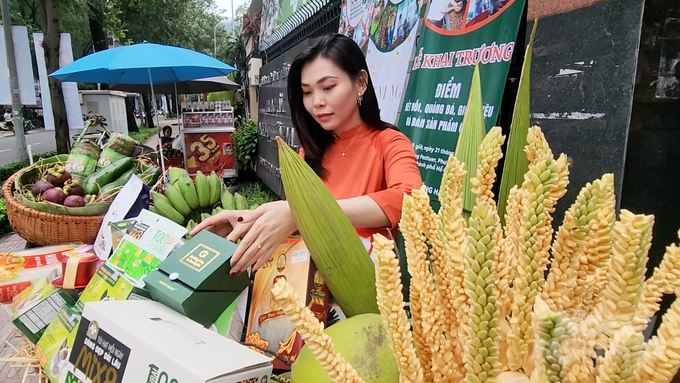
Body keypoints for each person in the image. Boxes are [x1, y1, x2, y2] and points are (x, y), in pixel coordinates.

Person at [191, 34, 423, 275]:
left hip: (366, 290)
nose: (317, 102)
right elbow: (294, 213)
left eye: (328, 87)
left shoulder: (389, 142)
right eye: (307, 92)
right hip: (310, 284)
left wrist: (304, 212)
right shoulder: (312, 149)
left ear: (360, 83)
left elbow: (408, 200)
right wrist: (246, 222)